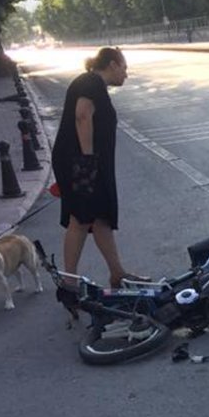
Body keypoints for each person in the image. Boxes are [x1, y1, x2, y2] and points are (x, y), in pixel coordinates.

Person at [51, 47, 144, 289]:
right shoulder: (91, 82)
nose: (126, 74)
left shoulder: (93, 83)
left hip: (86, 162)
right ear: (112, 64)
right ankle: (69, 283)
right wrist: (88, 161)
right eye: (124, 68)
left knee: (100, 216)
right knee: (80, 218)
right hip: (81, 163)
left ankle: (117, 273)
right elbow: (82, 116)